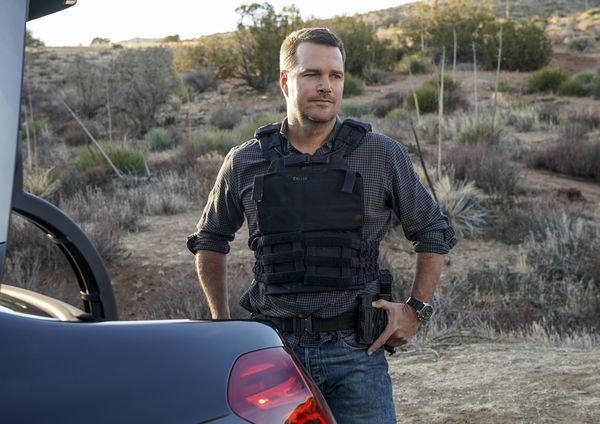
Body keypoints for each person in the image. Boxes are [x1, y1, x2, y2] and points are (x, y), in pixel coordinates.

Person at [187, 27, 457, 423]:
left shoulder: (380, 154)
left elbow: (433, 231)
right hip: (274, 351)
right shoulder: (245, 161)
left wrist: (416, 309)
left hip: (357, 354)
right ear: (285, 82)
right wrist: (221, 322)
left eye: (336, 76)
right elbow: (210, 239)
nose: (326, 86)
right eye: (312, 74)